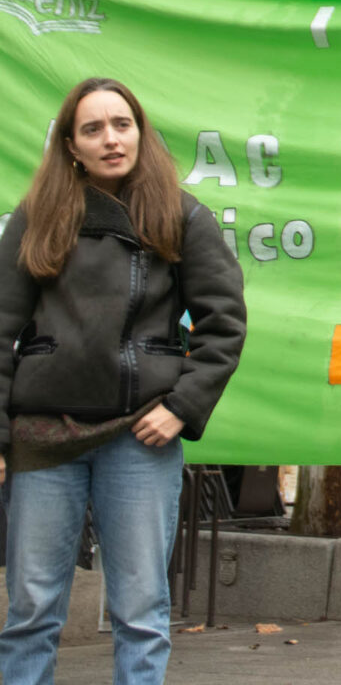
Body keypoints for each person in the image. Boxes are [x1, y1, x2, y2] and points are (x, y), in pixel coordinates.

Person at [0, 77, 246, 684]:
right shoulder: (36, 216)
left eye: (122, 124)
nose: (111, 139)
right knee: (30, 610)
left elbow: (224, 324)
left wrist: (183, 406)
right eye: (93, 129)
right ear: (71, 145)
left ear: (140, 131)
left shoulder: (182, 214)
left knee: (140, 612)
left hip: (140, 437)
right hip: (42, 435)